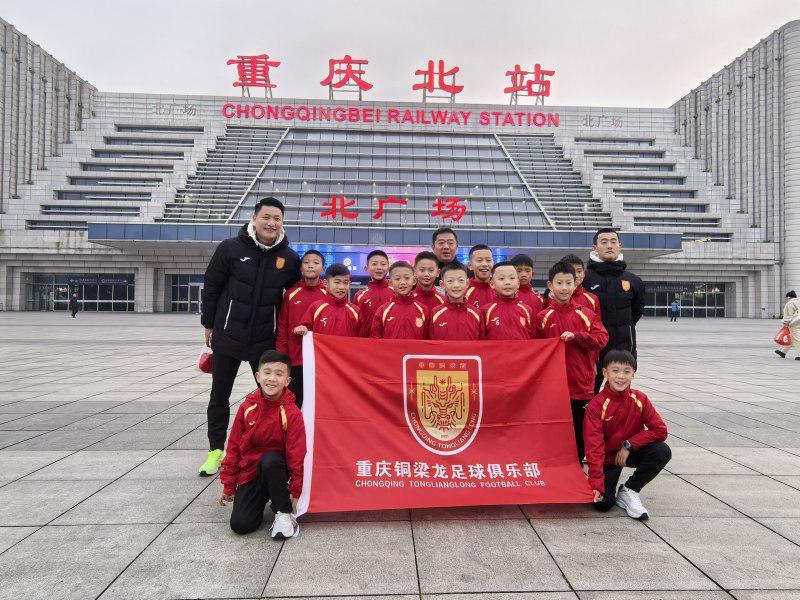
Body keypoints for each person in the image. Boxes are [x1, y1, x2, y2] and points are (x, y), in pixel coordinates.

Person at [199, 197, 301, 476]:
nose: (271, 223)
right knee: (219, 396)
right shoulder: (230, 248)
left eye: (277, 219)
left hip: (264, 340)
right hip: (228, 334)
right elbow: (212, 285)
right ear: (254, 219)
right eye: (266, 217)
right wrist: (208, 324)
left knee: (272, 396)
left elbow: (295, 298)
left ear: (282, 223)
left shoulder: (289, 258)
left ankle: (268, 449)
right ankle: (215, 451)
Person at [218, 350, 306, 539]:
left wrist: (296, 492)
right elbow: (233, 447)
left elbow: (297, 455)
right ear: (258, 376)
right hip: (251, 472)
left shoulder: (292, 413)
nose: (272, 378)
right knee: (241, 525)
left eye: (279, 374)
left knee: (270, 459)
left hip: (278, 471)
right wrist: (229, 485)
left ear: (287, 381)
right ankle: (263, 497)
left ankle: (283, 512)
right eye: (267, 372)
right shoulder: (247, 407)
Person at [583, 350, 671, 520]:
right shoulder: (596, 406)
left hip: (630, 452)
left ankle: (630, 490)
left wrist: (629, 445)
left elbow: (660, 430)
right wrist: (596, 483)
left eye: (626, 371)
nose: (621, 376)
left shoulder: (640, 399)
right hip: (608, 458)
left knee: (662, 451)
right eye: (615, 371)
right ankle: (600, 484)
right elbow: (594, 447)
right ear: (605, 373)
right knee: (603, 504)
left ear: (633, 374)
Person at [535, 261, 608, 464]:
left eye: (568, 283)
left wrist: (578, 337)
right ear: (550, 285)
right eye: (559, 283)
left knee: (579, 428)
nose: (564, 288)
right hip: (552, 385)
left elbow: (602, 339)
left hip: (581, 383)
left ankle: (576, 465)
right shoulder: (543, 316)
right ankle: (555, 465)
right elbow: (535, 349)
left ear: (576, 284)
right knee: (554, 428)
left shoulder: (587, 314)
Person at [582, 228, 645, 394]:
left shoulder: (633, 281)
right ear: (594, 247)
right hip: (592, 348)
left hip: (623, 346)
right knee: (589, 393)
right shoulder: (583, 280)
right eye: (604, 242)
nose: (609, 246)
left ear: (620, 246)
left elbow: (636, 313)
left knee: (620, 393)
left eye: (613, 242)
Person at [276, 250, 327, 407]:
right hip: (295, 359)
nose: (311, 265)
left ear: (323, 269)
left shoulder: (328, 294)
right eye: (306, 262)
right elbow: (283, 326)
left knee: (318, 404)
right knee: (294, 403)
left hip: (321, 361)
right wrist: (282, 355)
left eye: (316, 263)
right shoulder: (291, 294)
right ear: (301, 269)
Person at [294, 264, 360, 337]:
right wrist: (302, 328)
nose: (341, 287)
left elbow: (363, 337)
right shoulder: (315, 307)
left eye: (345, 283)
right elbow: (305, 328)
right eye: (337, 282)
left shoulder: (356, 311)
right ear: (325, 283)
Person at [371, 261, 429, 339]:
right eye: (397, 279)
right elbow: (375, 339)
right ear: (390, 283)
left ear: (414, 281)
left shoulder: (423, 310)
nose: (402, 282)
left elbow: (429, 341)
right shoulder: (382, 311)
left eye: (407, 278)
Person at [428, 263, 484, 340]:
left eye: (461, 280)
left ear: (467, 283)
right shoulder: (434, 313)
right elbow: (430, 344)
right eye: (450, 281)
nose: (456, 285)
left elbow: (482, 344)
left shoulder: (477, 314)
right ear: (442, 284)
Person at [482, 262, 534, 340]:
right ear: (492, 284)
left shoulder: (527, 310)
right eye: (501, 278)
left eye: (512, 278)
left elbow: (535, 341)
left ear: (518, 283)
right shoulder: (485, 311)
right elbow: (481, 342)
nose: (507, 282)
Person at [354, 250, 393, 337]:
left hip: (390, 342)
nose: (379, 267)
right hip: (367, 343)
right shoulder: (359, 296)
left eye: (383, 264)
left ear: (388, 268)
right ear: (366, 269)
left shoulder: (396, 293)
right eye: (374, 264)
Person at [465, 244, 495, 309]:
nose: (484, 264)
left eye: (488, 260)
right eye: (479, 260)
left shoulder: (500, 288)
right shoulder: (463, 290)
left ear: (493, 263)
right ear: (470, 265)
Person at [776, 290, 800, 359]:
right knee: (792, 337)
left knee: (796, 339)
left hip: (794, 323)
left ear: (789, 297)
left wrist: (785, 323)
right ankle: (783, 351)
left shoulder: (790, 303)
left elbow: (788, 315)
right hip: (799, 321)